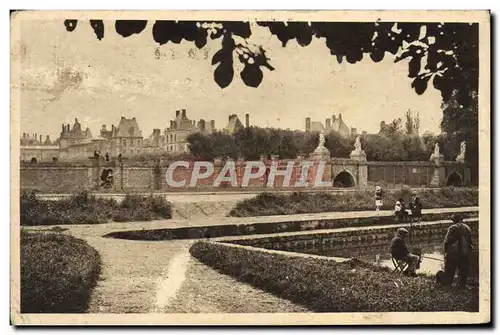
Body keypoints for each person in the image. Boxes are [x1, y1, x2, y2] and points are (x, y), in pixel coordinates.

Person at [441, 213, 473, 288]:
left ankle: (448, 283)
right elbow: (470, 243)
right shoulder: (467, 227)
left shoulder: (452, 228)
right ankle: (462, 285)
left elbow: (447, 241)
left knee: (450, 271)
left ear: (453, 220)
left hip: (453, 254)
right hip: (464, 253)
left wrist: (445, 253)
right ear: (461, 220)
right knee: (463, 271)